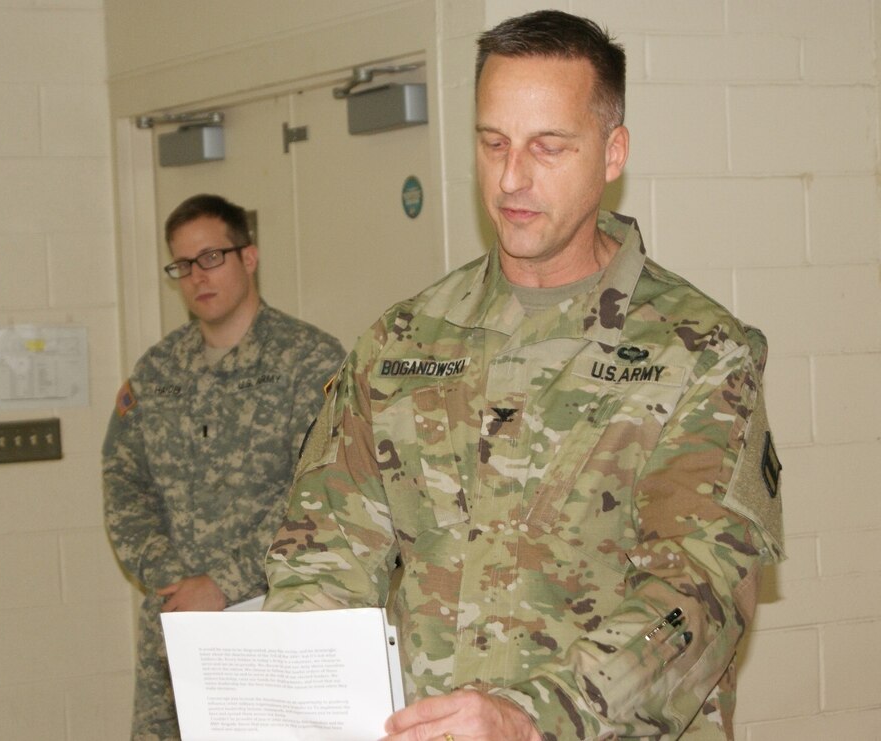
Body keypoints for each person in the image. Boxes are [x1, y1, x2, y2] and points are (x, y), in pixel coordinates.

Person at [264, 10, 784, 740]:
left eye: (548, 146)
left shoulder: (697, 353)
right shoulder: (402, 341)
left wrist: (532, 715)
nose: (512, 176)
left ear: (613, 152)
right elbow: (321, 552)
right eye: (493, 143)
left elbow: (696, 599)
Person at [103, 193, 345, 740]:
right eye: (182, 265)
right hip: (176, 620)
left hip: (269, 621)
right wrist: (170, 578)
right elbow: (123, 481)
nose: (196, 277)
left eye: (211, 257)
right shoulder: (158, 370)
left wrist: (223, 583)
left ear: (249, 257)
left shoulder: (309, 362)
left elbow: (322, 495)